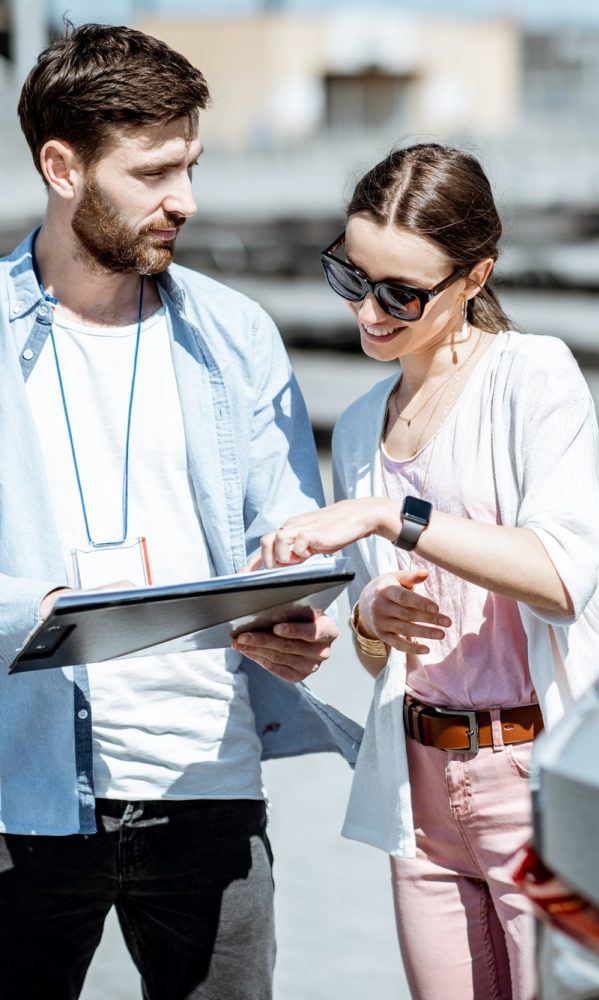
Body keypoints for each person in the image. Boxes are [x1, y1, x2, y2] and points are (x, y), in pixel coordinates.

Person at [0, 22, 361, 1000]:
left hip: (209, 789)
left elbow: (283, 529)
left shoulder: (237, 334)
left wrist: (297, 617)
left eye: (192, 165)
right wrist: (36, 605)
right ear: (61, 165)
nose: (186, 201)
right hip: (21, 797)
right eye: (155, 171)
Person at [251, 143, 599, 1000]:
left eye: (401, 294)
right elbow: (377, 657)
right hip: (417, 787)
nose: (370, 314)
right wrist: (371, 620)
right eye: (352, 278)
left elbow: (565, 575)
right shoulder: (357, 427)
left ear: (474, 277)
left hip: (536, 776)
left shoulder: (534, 378)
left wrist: (396, 517)